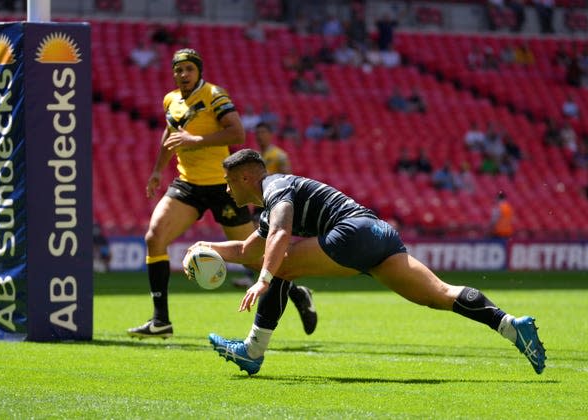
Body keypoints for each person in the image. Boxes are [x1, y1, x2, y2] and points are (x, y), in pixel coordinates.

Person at [198, 149, 545, 376]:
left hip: (351, 232)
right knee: (438, 294)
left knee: (282, 266)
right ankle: (511, 326)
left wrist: (263, 279)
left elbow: (281, 233)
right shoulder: (269, 203)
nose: (227, 191)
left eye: (229, 182)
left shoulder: (275, 186)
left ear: (246, 178)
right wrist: (204, 248)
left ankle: (252, 350)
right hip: (378, 232)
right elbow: (247, 250)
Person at [127, 49, 317, 339]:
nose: (183, 75)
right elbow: (170, 135)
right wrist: (157, 171)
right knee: (154, 238)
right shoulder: (171, 100)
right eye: (179, 70)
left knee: (253, 257)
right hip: (187, 184)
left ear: (199, 71)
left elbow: (237, 134)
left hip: (223, 186)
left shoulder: (215, 96)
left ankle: (297, 293)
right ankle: (160, 320)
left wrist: (196, 140)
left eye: (189, 69)